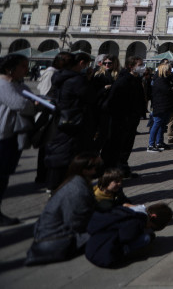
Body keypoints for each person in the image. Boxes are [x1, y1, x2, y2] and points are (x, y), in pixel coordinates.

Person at [25, 153, 102, 266]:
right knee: (108, 232)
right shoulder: (77, 189)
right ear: (85, 170)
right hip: (56, 241)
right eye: (94, 167)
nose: (96, 170)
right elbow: (76, 223)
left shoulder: (76, 182)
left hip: (51, 237)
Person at [44, 52, 94, 191]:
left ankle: (52, 185)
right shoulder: (77, 80)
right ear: (79, 63)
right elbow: (89, 97)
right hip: (75, 121)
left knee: (59, 152)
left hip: (61, 119)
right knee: (69, 154)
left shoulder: (59, 77)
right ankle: (62, 187)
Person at [0, 53, 37, 225]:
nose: (26, 69)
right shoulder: (2, 84)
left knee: (4, 174)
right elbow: (20, 104)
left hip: (10, 135)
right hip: (2, 136)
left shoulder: (15, 84)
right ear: (10, 68)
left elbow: (30, 96)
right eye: (23, 66)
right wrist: (33, 105)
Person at [84, 202, 173, 268]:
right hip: (104, 255)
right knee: (145, 238)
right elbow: (126, 238)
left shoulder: (136, 211)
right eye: (152, 227)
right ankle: (125, 252)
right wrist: (141, 233)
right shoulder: (137, 222)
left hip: (92, 244)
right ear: (153, 217)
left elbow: (126, 205)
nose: (150, 228)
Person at [102, 56, 146, 178]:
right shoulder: (124, 80)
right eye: (140, 64)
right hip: (122, 119)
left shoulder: (136, 79)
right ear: (131, 66)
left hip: (132, 118)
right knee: (118, 145)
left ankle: (123, 167)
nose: (143, 67)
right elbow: (112, 101)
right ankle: (113, 170)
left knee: (127, 145)